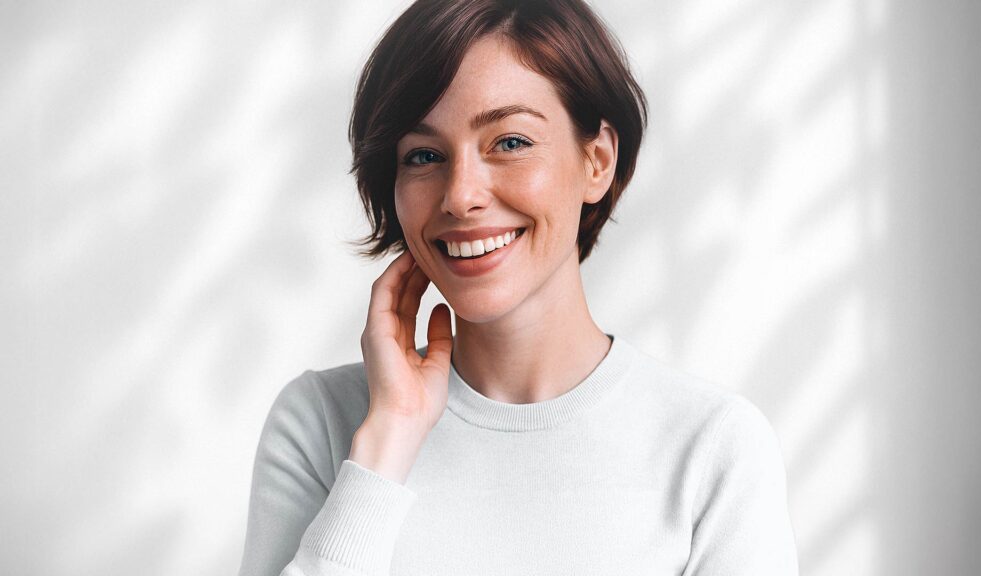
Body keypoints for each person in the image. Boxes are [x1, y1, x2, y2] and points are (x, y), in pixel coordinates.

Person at [238, 0, 799, 574]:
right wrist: (386, 444)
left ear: (597, 160)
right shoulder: (322, 423)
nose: (461, 196)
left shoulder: (713, 449)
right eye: (424, 155)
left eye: (509, 142)